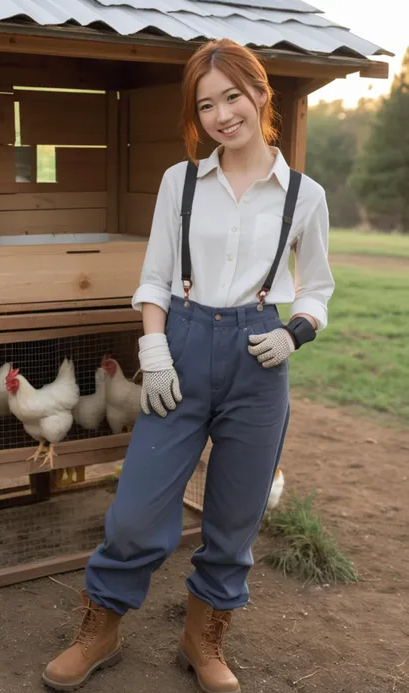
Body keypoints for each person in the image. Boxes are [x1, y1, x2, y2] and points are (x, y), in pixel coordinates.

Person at [42, 38, 334, 693]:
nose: (223, 114)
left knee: (234, 517)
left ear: (261, 93)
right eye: (206, 105)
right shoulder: (180, 183)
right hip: (181, 344)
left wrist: (295, 333)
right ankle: (101, 628)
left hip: (260, 359)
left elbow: (316, 286)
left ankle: (202, 638)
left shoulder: (303, 196)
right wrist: (154, 350)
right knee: (136, 514)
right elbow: (153, 279)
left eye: (233, 95)